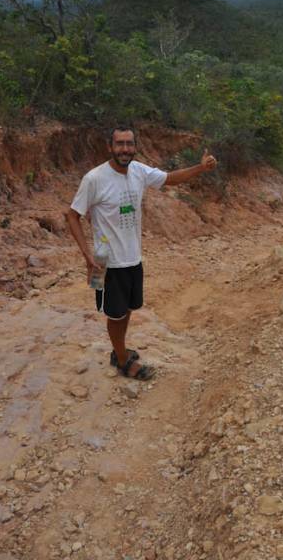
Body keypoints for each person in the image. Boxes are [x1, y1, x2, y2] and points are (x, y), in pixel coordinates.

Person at [66, 126, 217, 380]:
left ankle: (119, 349)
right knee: (114, 313)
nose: (124, 149)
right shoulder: (94, 178)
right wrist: (87, 257)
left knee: (128, 309)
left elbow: (170, 178)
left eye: (129, 144)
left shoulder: (139, 171)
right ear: (109, 147)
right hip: (105, 261)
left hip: (133, 256)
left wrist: (200, 168)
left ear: (135, 147)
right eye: (119, 144)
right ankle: (123, 361)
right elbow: (72, 216)